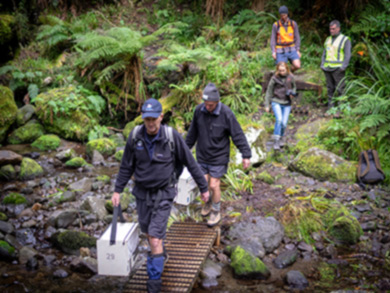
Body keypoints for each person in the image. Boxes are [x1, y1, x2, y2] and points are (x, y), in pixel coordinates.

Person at [111, 98, 209, 293]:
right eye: (147, 119)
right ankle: (161, 256)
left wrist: (204, 188)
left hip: (164, 193)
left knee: (155, 237)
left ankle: (153, 283)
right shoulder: (135, 136)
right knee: (149, 233)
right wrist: (117, 189)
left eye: (154, 119)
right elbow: (126, 165)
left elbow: (190, 162)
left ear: (161, 117)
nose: (150, 123)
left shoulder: (171, 137)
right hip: (141, 193)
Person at [185, 83, 251, 227]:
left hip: (219, 156)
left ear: (217, 102)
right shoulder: (198, 111)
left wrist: (246, 154)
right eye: (205, 104)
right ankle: (208, 202)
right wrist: (184, 150)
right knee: (203, 182)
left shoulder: (226, 114)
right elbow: (192, 133)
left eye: (210, 105)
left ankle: (216, 210)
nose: (207, 107)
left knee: (214, 185)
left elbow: (237, 134)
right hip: (202, 155)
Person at [264, 62, 297, 150]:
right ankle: (276, 140)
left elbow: (294, 87)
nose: (282, 72)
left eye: (283, 70)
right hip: (276, 101)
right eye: (280, 70)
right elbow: (269, 91)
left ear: (287, 69)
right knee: (279, 120)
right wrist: (267, 104)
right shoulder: (274, 78)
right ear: (277, 70)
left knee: (284, 123)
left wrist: (292, 93)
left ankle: (281, 137)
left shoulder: (291, 77)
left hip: (287, 103)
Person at [321, 20, 351, 111]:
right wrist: (322, 64)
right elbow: (324, 52)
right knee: (330, 89)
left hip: (338, 69)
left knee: (340, 89)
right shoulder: (328, 39)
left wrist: (343, 67)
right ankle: (330, 109)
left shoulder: (344, 39)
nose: (331, 30)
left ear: (338, 28)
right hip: (327, 68)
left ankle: (340, 110)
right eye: (330, 29)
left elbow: (348, 54)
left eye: (333, 29)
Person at [270, 5, 301, 72]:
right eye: (281, 15)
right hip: (280, 50)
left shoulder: (293, 24)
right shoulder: (276, 25)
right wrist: (273, 52)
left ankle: (290, 72)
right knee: (281, 69)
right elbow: (273, 39)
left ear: (287, 14)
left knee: (297, 65)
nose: (283, 17)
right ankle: (283, 75)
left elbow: (297, 37)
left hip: (291, 48)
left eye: (284, 15)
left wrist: (297, 49)